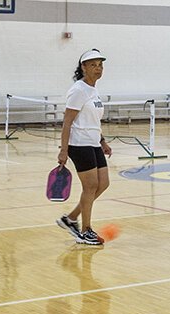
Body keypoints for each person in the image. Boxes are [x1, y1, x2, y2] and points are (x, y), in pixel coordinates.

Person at [55, 48, 114, 245]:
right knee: (90, 186)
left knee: (103, 183)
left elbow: (93, 120)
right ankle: (85, 230)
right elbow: (67, 122)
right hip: (79, 144)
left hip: (93, 142)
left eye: (100, 65)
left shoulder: (93, 90)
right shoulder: (78, 90)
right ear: (83, 67)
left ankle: (70, 218)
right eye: (93, 65)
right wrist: (64, 150)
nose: (98, 69)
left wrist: (102, 141)